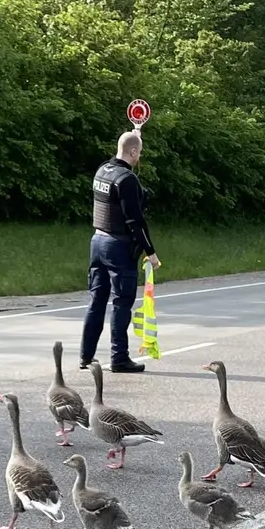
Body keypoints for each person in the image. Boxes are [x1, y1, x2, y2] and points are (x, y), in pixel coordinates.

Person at [79, 130, 161, 373]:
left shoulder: (102, 171)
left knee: (97, 300)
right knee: (121, 303)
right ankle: (119, 358)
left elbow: (128, 200)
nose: (140, 157)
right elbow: (135, 220)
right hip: (118, 246)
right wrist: (150, 252)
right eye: (139, 153)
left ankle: (86, 356)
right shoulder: (127, 180)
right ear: (133, 151)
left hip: (97, 242)